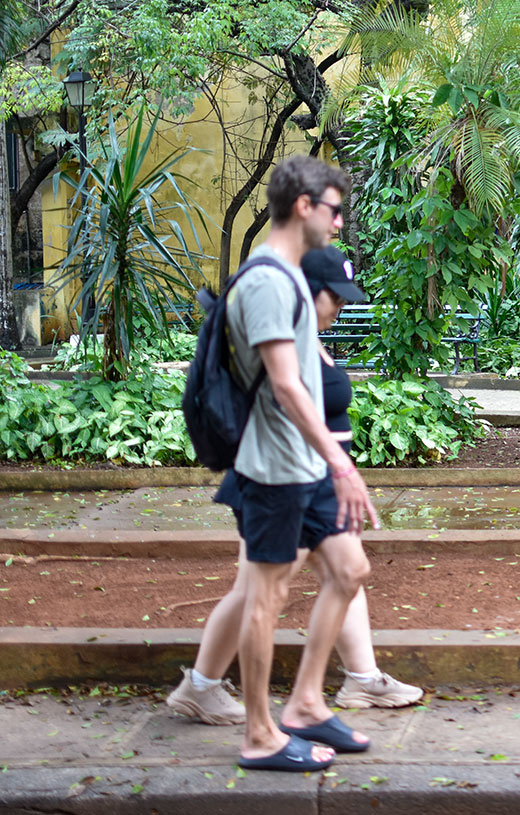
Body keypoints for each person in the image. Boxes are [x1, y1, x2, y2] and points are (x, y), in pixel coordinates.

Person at [167, 246, 422, 735]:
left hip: (316, 477)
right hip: (278, 476)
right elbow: (280, 402)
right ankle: (202, 687)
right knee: (256, 590)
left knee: (347, 570)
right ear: (308, 291)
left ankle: (360, 678)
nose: (341, 309)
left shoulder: (309, 337)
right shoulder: (284, 334)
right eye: (336, 299)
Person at [175, 156, 377, 772]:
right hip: (274, 467)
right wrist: (340, 464)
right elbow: (287, 387)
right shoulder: (266, 280)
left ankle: (308, 703)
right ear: (303, 206)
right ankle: (261, 733)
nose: (340, 222)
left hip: (304, 465)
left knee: (349, 569)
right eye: (334, 209)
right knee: (265, 596)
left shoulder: (287, 275)